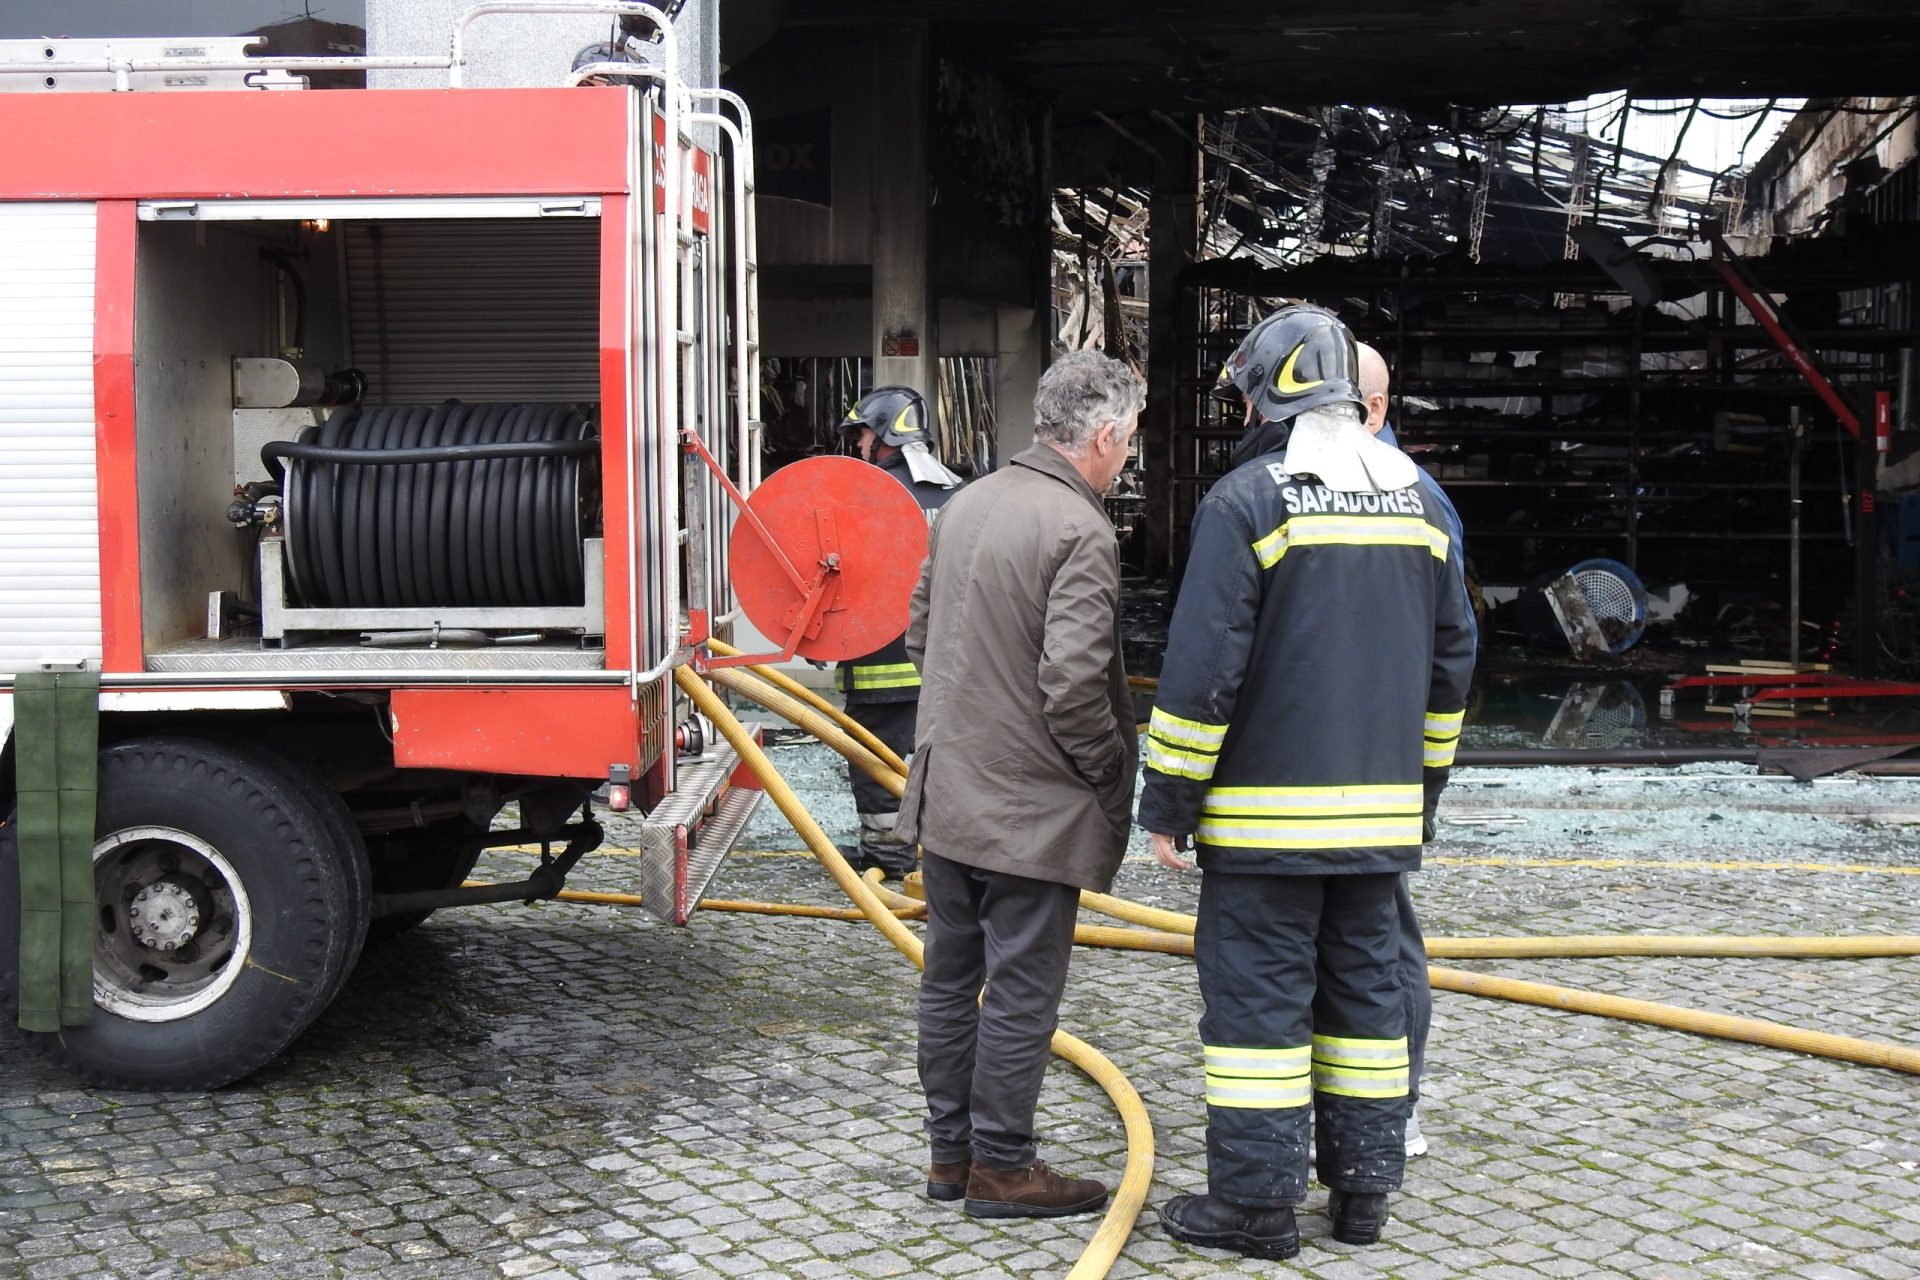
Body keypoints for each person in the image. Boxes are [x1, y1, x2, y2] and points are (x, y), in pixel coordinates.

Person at [1141, 305, 1476, 1260]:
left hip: (1261, 830)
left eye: (1247, 390)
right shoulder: (1419, 503)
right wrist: (1423, 790)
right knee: (1368, 1000)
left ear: (1276, 389)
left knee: (1258, 1011)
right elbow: (1453, 664)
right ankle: (1364, 1195)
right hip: (1379, 828)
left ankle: (1256, 1208)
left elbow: (1205, 673)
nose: (1242, 408)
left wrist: (1167, 802)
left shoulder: (1248, 501)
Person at [899, 350, 1143, 1219]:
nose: (1129, 460)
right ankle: (1003, 1167)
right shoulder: (1082, 531)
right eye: (1130, 442)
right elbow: (1075, 686)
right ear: (1105, 435)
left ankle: (949, 1158)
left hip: (948, 793)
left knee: (948, 979)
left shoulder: (966, 503)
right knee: (1020, 993)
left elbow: (920, 636)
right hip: (1029, 812)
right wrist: (1111, 772)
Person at [1355, 342, 1475, 1160]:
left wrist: (1424, 782)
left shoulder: (1415, 501)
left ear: (1371, 408)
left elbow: (1446, 654)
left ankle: (1392, 1110)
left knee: (1381, 948)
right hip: (1363, 776)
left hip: (1362, 779)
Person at [834, 386, 964, 878]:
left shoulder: (866, 497)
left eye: (863, 433)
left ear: (887, 432)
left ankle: (888, 856)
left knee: (874, 764)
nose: (860, 444)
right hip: (945, 667)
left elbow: (839, 575)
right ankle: (944, 855)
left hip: (880, 669)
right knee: (942, 765)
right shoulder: (957, 493)